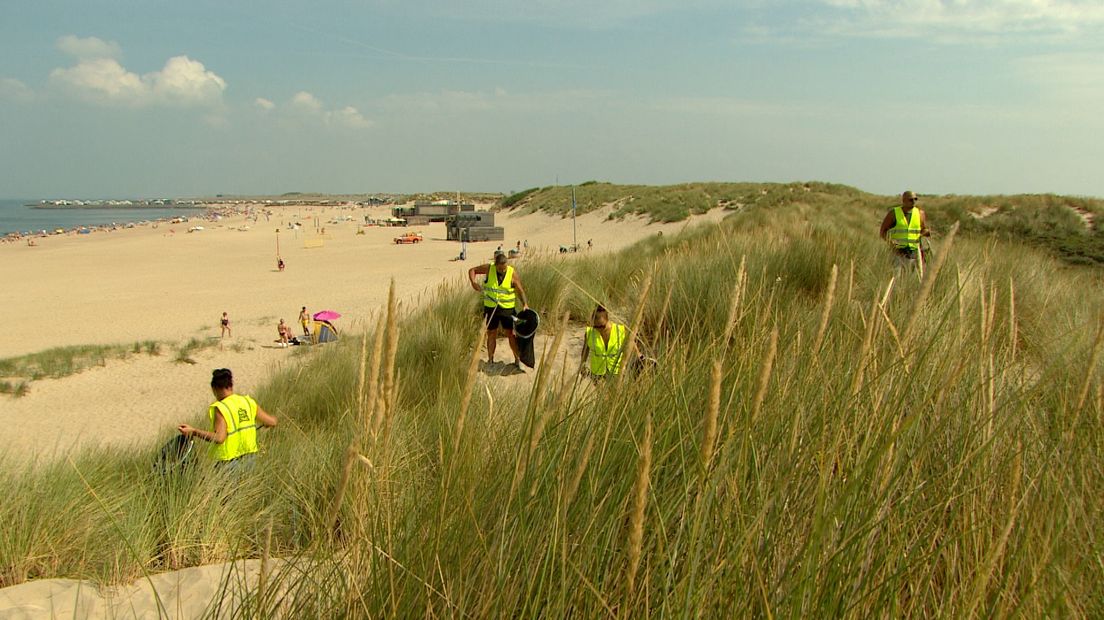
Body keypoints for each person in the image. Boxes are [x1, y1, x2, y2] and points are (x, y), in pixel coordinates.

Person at [177, 368, 277, 467]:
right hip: (250, 459)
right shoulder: (248, 402)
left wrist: (194, 431)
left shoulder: (221, 408)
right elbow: (272, 422)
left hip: (229, 463)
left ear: (215, 388)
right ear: (231, 386)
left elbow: (219, 438)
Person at [468, 252, 530, 368]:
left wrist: (525, 304)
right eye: (500, 269)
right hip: (491, 308)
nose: (502, 270)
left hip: (507, 309)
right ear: (496, 265)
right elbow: (472, 270)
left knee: (511, 334)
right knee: (491, 333)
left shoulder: (511, 272)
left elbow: (520, 290)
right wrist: (473, 283)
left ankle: (517, 360)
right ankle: (491, 360)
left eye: (504, 268)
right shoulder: (489, 268)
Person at [879, 190, 931, 269]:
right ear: (904, 200)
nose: (913, 201)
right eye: (910, 199)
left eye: (915, 199)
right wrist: (892, 244)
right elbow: (883, 232)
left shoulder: (920, 213)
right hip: (898, 253)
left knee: (915, 278)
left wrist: (926, 233)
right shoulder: (894, 213)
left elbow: (923, 229)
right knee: (897, 278)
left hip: (914, 252)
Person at [579, 306, 628, 378]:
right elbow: (585, 351)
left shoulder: (620, 330)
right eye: (596, 327)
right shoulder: (589, 333)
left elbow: (630, 346)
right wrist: (582, 365)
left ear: (608, 320)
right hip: (597, 373)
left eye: (602, 326)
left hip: (617, 371)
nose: (599, 329)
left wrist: (639, 357)